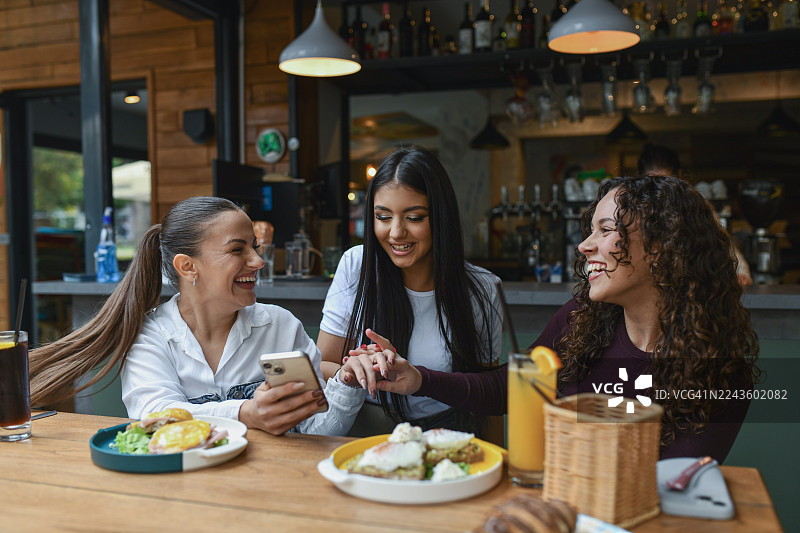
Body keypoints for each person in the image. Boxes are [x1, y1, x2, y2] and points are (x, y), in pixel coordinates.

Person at [343, 175, 760, 463]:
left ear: (661, 246)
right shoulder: (583, 319)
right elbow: (512, 387)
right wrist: (418, 378)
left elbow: (676, 480)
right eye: (589, 230)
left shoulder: (719, 369)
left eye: (605, 230)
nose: (584, 245)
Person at [29, 197, 364, 436]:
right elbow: (154, 416)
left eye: (255, 247)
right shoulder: (152, 335)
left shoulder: (278, 327)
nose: (258, 262)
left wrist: (348, 384)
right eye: (238, 250)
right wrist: (246, 413)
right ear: (188, 267)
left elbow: (314, 430)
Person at [317, 146, 503, 437]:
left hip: (449, 433)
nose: (395, 233)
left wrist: (499, 463)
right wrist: (352, 369)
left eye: (414, 217)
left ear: (441, 218)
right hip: (368, 428)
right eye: (383, 217)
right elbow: (322, 364)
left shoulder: (482, 288)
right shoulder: (357, 265)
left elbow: (486, 394)